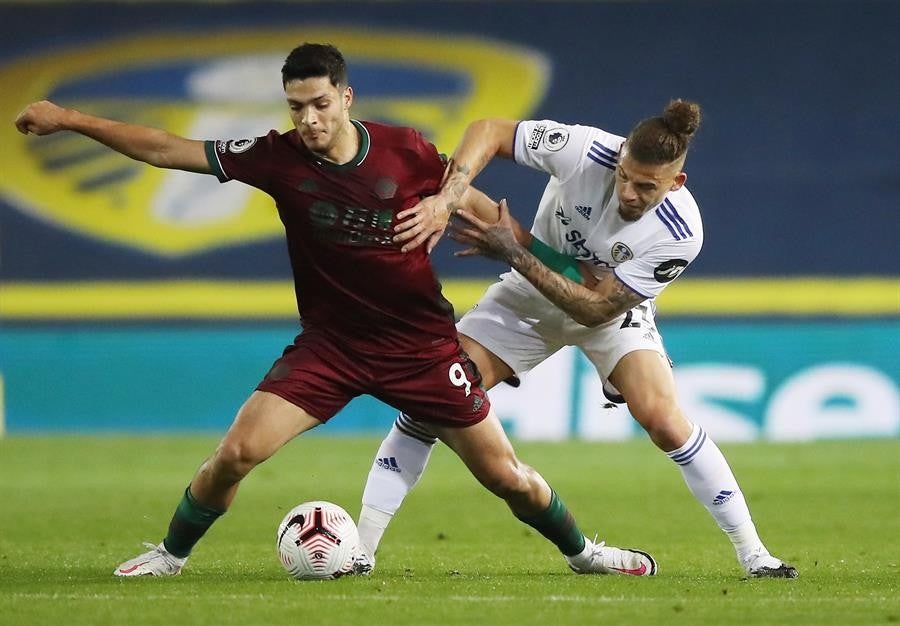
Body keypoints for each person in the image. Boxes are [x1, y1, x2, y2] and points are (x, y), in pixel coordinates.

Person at [14, 43, 657, 578]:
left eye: (320, 104)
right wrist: (71, 119)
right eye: (297, 108)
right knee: (237, 452)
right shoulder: (275, 157)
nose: (309, 121)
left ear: (346, 98)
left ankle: (585, 553)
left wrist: (576, 274)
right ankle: (170, 554)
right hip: (332, 348)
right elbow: (165, 148)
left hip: (422, 348)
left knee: (508, 478)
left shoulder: (406, 152)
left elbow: (489, 216)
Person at [355, 101, 799, 579]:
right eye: (625, 176)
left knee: (664, 421)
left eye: (646, 186)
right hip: (525, 300)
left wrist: (514, 251)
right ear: (622, 155)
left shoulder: (680, 232)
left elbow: (594, 308)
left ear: (676, 184)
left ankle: (755, 555)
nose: (628, 192)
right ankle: (361, 550)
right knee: (431, 401)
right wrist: (448, 199)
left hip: (608, 311)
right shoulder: (586, 150)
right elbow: (489, 128)